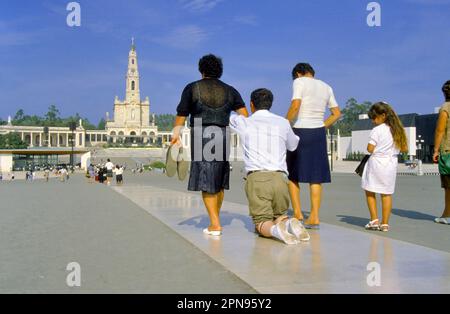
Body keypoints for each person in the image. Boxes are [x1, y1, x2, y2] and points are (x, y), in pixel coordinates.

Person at [171, 54, 249, 236]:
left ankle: (215, 224)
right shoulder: (231, 90)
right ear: (219, 71)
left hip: (201, 132)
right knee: (219, 179)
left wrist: (176, 135)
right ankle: (216, 218)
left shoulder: (192, 88)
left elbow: (181, 114)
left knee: (206, 177)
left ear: (201, 70)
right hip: (222, 133)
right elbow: (244, 115)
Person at [230, 88, 309, 244]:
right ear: (271, 104)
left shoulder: (244, 122)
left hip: (257, 177)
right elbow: (293, 146)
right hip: (280, 178)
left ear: (251, 105)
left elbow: (228, 114)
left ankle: (275, 230)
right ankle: (288, 223)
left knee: (261, 222)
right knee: (280, 214)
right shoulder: (283, 122)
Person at [286, 63, 341, 229]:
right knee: (315, 176)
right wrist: (322, 125)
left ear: (298, 73)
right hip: (318, 133)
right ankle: (314, 216)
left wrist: (285, 122)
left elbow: (296, 105)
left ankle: (297, 213)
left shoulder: (299, 82)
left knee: (292, 174)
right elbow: (337, 113)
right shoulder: (326, 86)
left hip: (301, 130)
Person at [362, 102, 408, 232]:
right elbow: (404, 148)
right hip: (391, 164)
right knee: (386, 194)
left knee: (369, 190)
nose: (373, 121)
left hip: (377, 163)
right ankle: (385, 224)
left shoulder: (377, 130)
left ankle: (374, 220)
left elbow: (370, 148)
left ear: (383, 115)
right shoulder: (397, 129)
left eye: (374, 118)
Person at [433, 80, 450, 225]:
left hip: (448, 151)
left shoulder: (446, 107)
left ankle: (447, 214)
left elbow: (440, 130)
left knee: (448, 186)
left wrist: (435, 150)